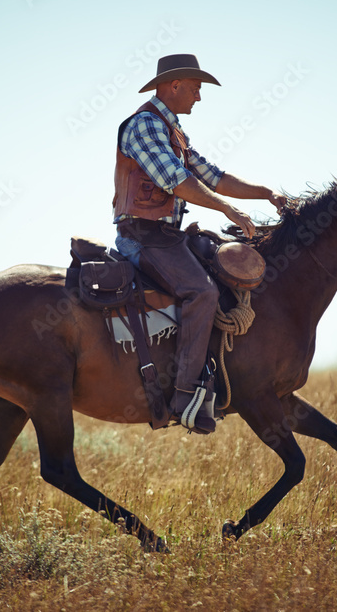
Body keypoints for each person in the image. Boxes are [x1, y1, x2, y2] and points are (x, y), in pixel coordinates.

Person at [113, 54, 286, 434]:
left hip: (167, 238)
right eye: (196, 89)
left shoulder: (174, 133)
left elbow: (213, 177)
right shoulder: (144, 125)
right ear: (174, 86)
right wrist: (228, 210)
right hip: (144, 237)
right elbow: (176, 181)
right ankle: (185, 396)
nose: (199, 98)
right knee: (202, 293)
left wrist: (266, 194)